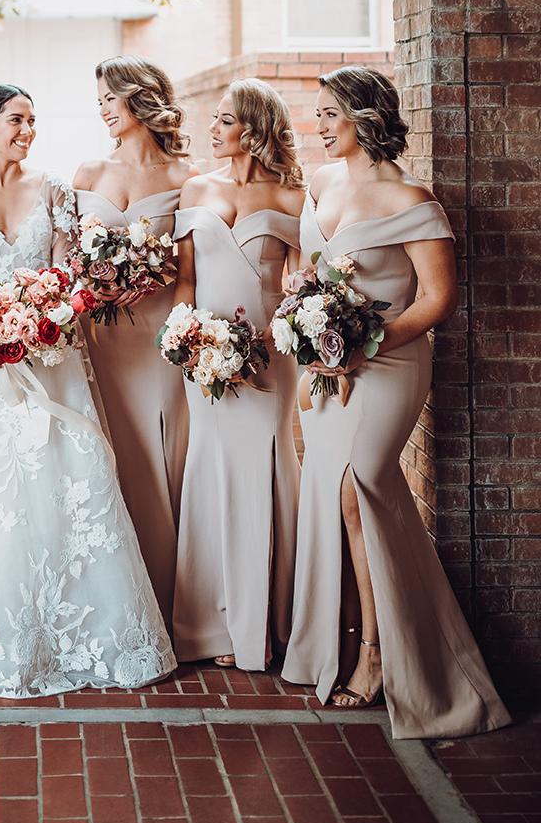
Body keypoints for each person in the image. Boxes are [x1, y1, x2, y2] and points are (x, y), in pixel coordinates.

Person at [282, 66, 510, 739]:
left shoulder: (412, 198)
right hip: (328, 366)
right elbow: (309, 272)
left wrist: (366, 345)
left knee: (361, 488)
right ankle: (341, 641)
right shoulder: (320, 184)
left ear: (366, 117)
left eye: (329, 114)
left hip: (390, 363)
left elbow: (437, 299)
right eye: (317, 115)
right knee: (340, 499)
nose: (319, 127)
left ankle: (384, 656)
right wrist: (302, 312)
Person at [0, 84, 175, 697]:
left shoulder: (54, 190)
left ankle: (90, 621)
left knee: (64, 479)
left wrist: (41, 315)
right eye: (17, 120)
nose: (28, 131)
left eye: (34, 120)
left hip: (50, 355)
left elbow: (69, 275)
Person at [170, 79, 304, 671]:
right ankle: (208, 624)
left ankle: (264, 620)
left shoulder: (295, 197)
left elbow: (301, 287)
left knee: (265, 469)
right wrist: (186, 337)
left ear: (251, 129)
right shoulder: (195, 187)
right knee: (208, 467)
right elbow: (187, 282)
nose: (213, 129)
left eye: (224, 121)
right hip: (201, 357)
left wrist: (274, 339)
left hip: (269, 359)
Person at [72, 56, 197, 621]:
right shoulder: (88, 173)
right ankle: (116, 599)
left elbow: (191, 268)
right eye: (97, 100)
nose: (102, 110)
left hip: (158, 336)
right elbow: (69, 258)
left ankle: (171, 597)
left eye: (108, 99)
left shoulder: (185, 177)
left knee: (163, 453)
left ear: (139, 99)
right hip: (99, 335)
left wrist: (156, 275)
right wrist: (94, 281)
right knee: (109, 454)